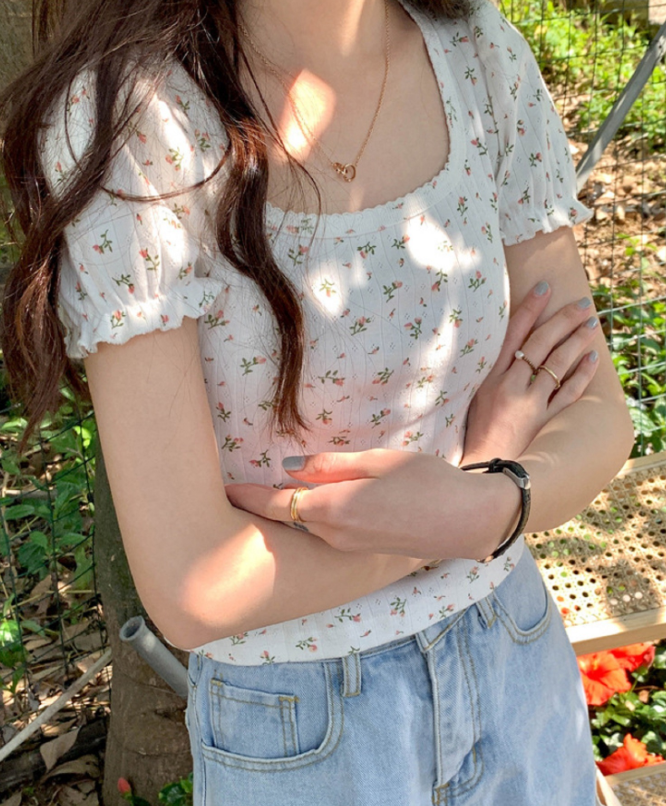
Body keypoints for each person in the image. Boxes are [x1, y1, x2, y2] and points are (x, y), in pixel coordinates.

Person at [0, 0, 633, 803]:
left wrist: (487, 503)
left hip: (516, 655)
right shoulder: (137, 124)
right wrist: (475, 500)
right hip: (305, 719)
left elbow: (597, 415)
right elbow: (194, 586)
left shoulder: (478, 54)